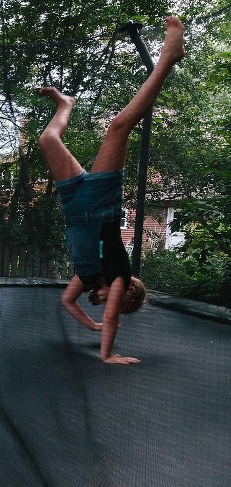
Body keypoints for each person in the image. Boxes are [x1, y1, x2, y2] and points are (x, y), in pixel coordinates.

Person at [38, 16, 185, 365]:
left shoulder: (87, 278)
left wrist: (91, 325)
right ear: (128, 293)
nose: (107, 302)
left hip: (73, 204)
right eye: (114, 302)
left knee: (47, 139)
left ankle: (66, 105)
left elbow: (66, 302)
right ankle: (168, 57)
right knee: (118, 127)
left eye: (106, 304)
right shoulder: (118, 277)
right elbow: (114, 318)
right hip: (101, 204)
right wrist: (106, 353)